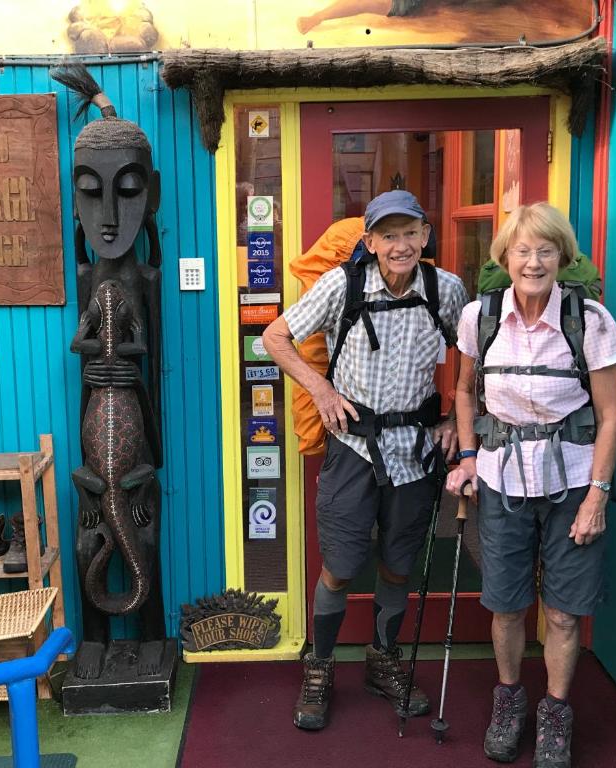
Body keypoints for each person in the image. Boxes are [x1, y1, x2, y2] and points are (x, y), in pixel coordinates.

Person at [262, 190, 468, 730]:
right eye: (388, 235)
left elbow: (477, 362)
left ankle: (382, 660)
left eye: (410, 233)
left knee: (398, 564)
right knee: (341, 566)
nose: (400, 245)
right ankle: (321, 665)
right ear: (370, 241)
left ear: (425, 236)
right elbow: (274, 336)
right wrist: (321, 391)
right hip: (354, 449)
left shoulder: (446, 291)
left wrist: (453, 421)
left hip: (417, 452)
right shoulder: (342, 285)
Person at [444, 202, 616, 768]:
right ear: (505, 257)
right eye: (522, 250)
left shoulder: (588, 320)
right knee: (505, 605)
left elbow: (611, 414)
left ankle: (555, 714)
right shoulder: (481, 316)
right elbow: (465, 392)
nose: (534, 261)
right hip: (500, 481)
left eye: (546, 250)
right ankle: (508, 701)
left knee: (565, 612)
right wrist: (470, 457)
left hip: (572, 482)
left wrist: (597, 494)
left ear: (563, 258)